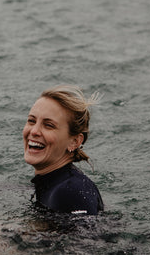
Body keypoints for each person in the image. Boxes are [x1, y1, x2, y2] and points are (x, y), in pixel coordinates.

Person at [23, 85, 104, 214]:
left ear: (74, 142)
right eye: (31, 121)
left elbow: (84, 234)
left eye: (48, 125)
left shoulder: (71, 191)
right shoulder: (53, 182)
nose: (34, 131)